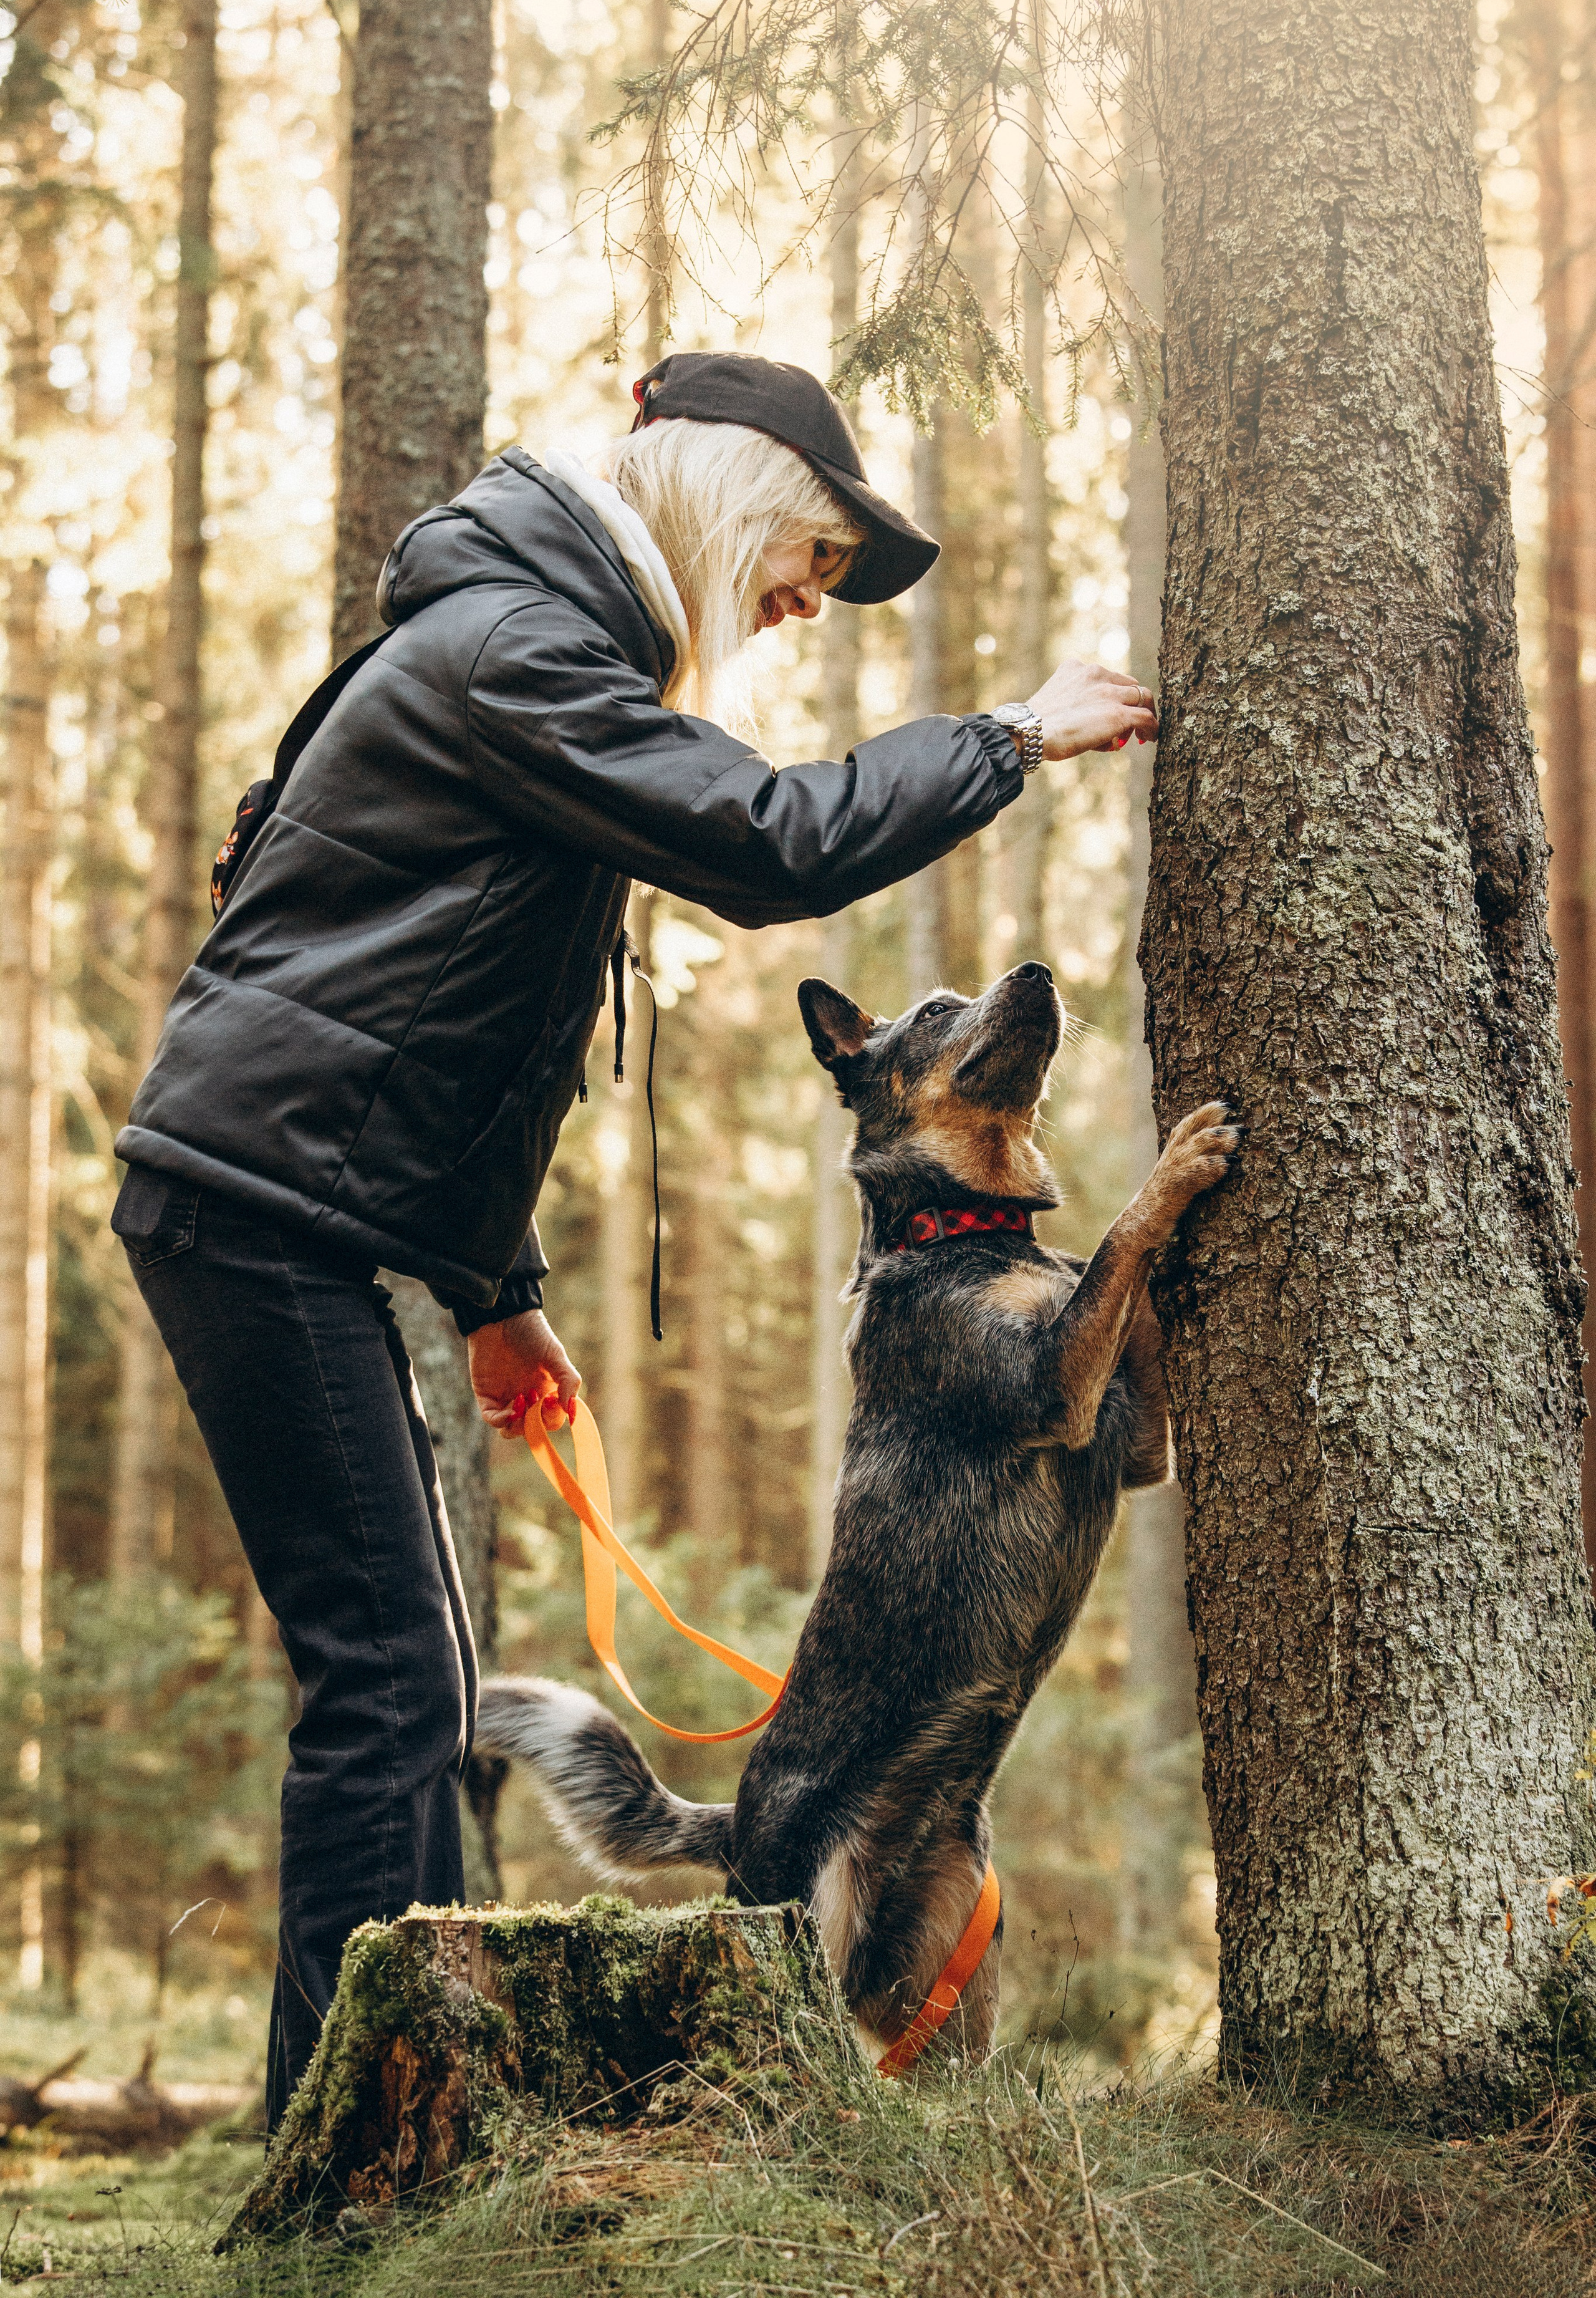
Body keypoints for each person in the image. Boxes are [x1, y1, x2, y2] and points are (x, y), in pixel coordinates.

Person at [111, 352, 1157, 2123]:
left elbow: (476, 1026)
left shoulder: (529, 649)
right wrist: (1009, 736)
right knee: (393, 1685)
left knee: (404, 1677)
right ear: (735, 499)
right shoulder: (516, 652)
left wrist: (498, 1294)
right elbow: (767, 841)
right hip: (249, 1202)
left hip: (273, 1198)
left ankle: (352, 2131)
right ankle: (339, 2152)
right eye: (811, 561)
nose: (804, 604)